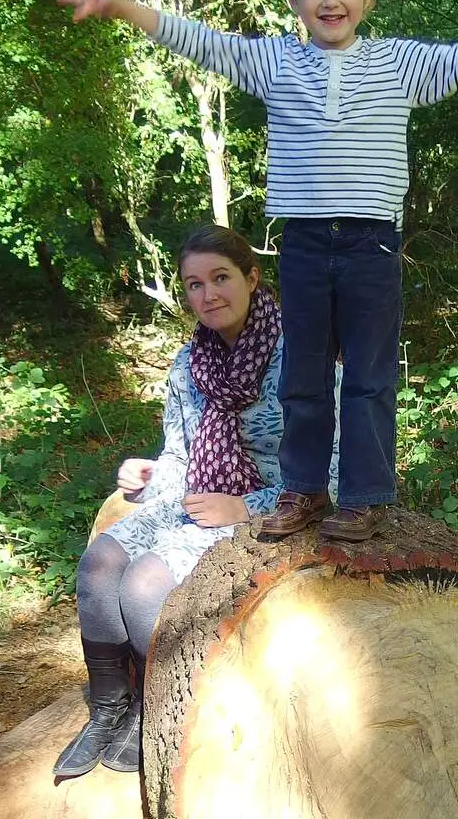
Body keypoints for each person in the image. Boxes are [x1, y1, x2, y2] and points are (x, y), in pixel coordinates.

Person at [57, 0, 458, 543]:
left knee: (371, 375)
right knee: (304, 376)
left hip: (372, 242)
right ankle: (303, 491)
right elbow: (199, 41)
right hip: (304, 245)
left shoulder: (399, 65)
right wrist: (121, 4)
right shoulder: (275, 64)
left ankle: (367, 497)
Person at [54, 224, 334, 781]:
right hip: (199, 496)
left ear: (253, 278)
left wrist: (246, 508)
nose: (208, 296)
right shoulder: (189, 365)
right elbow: (181, 456)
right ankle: (110, 707)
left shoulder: (302, 357)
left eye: (221, 278)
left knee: (143, 586)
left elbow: (335, 465)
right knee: (100, 563)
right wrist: (151, 473)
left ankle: (157, 714)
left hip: (277, 505)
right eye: (193, 285)